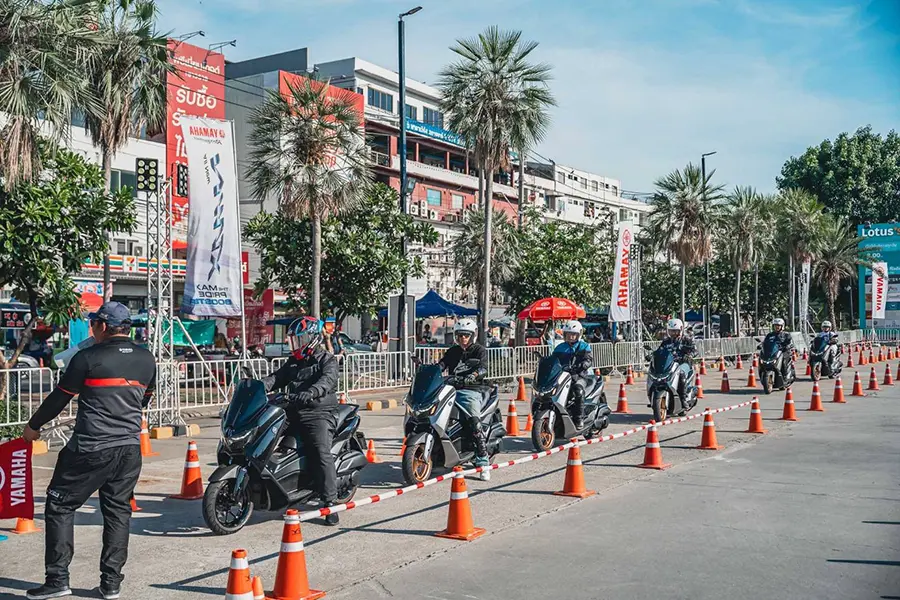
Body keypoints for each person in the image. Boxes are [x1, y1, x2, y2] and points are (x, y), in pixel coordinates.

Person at [23, 302, 156, 600]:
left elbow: (60, 398)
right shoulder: (147, 359)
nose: (92, 328)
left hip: (91, 446)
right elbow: (143, 400)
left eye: (93, 323)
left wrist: (33, 426)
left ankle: (57, 580)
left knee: (59, 506)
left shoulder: (87, 357)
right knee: (118, 512)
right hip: (128, 449)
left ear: (103, 326)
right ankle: (111, 584)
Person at [262, 316, 341, 525]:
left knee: (320, 451)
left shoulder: (327, 360)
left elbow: (327, 381)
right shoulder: (294, 362)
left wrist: (312, 392)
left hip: (319, 412)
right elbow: (278, 377)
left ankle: (330, 502)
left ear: (311, 338)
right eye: (293, 340)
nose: (295, 344)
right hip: (294, 409)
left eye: (298, 340)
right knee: (264, 430)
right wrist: (259, 385)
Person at [437, 318, 491, 481]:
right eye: (460, 335)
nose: (463, 338)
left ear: (473, 335)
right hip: (451, 389)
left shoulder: (479, 350)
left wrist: (473, 375)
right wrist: (429, 369)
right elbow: (442, 365)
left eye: (466, 335)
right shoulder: (452, 351)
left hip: (471, 390)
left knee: (475, 422)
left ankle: (483, 461)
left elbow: (483, 368)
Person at [552, 320, 595, 429]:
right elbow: (553, 360)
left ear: (578, 335)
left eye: (574, 334)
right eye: (568, 334)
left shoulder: (584, 346)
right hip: (562, 376)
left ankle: (579, 419)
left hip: (579, 376)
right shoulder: (560, 347)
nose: (571, 337)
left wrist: (583, 365)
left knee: (578, 391)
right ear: (564, 335)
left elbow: (589, 359)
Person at [659, 318, 697, 407]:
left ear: (681, 330)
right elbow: (660, 350)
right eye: (671, 331)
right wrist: (652, 355)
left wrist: (689, 355)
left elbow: (695, 351)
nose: (673, 333)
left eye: (675, 331)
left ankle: (683, 399)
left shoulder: (687, 339)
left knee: (681, 373)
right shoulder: (666, 341)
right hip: (670, 364)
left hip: (683, 363)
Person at [763, 318, 794, 383]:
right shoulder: (770, 335)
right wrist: (761, 345)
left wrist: (787, 346)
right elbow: (765, 342)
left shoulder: (786, 334)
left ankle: (785, 377)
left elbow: (789, 342)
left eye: (778, 325)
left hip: (784, 351)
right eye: (775, 325)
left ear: (782, 326)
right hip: (774, 352)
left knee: (783, 362)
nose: (777, 327)